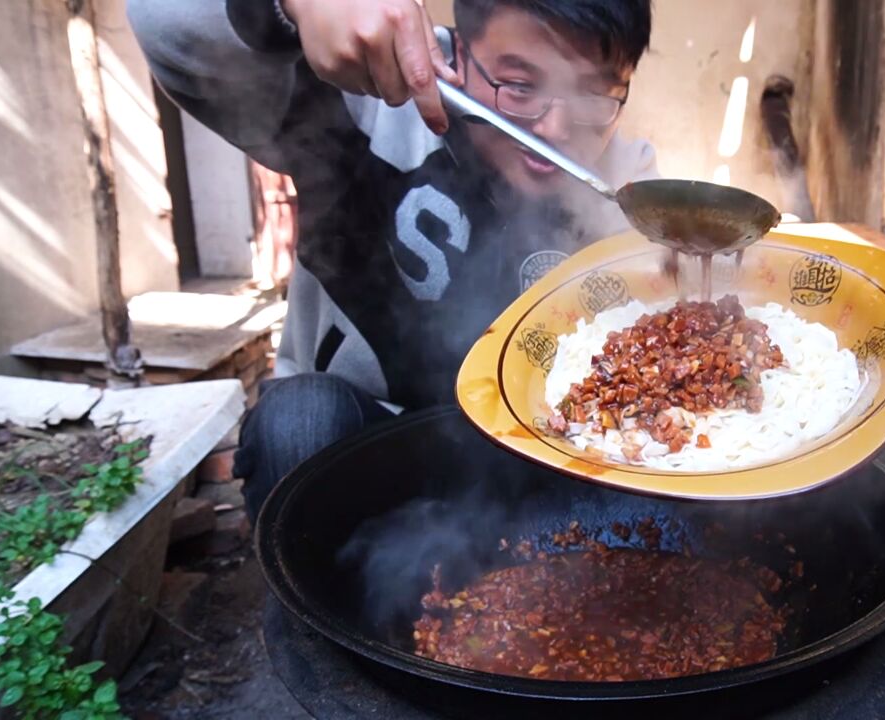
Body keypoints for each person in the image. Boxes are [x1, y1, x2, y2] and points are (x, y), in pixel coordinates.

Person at [127, 0, 658, 519]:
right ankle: (304, 606)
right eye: (519, 86)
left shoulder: (628, 187)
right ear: (458, 52)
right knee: (298, 419)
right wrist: (298, 7)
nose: (555, 129)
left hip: (534, 454)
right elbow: (161, 23)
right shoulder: (366, 101)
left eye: (595, 94)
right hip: (374, 437)